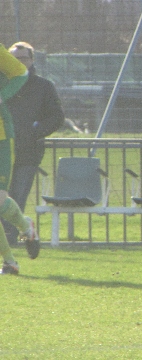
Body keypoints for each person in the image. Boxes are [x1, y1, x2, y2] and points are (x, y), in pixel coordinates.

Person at [3, 42, 64, 247]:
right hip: (3, 150)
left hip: (27, 153)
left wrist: (33, 132)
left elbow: (56, 117)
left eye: (23, 58)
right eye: (14, 58)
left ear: (32, 60)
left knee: (17, 196)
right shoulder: (4, 84)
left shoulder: (43, 86)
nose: (18, 62)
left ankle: (11, 238)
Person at [0, 44, 40, 274]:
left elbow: (21, 73)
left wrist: (2, 96)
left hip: (2, 137)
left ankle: (26, 227)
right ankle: (10, 262)